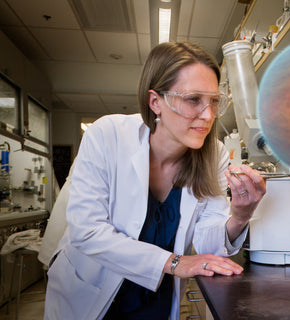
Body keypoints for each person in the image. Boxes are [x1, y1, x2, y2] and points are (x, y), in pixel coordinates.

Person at [44, 41, 266, 320]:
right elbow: (87, 231)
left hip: (156, 298)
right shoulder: (107, 135)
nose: (208, 115)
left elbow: (208, 246)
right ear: (155, 102)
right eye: (193, 99)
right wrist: (175, 262)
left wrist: (240, 216)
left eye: (213, 101)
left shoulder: (214, 153)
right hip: (89, 294)